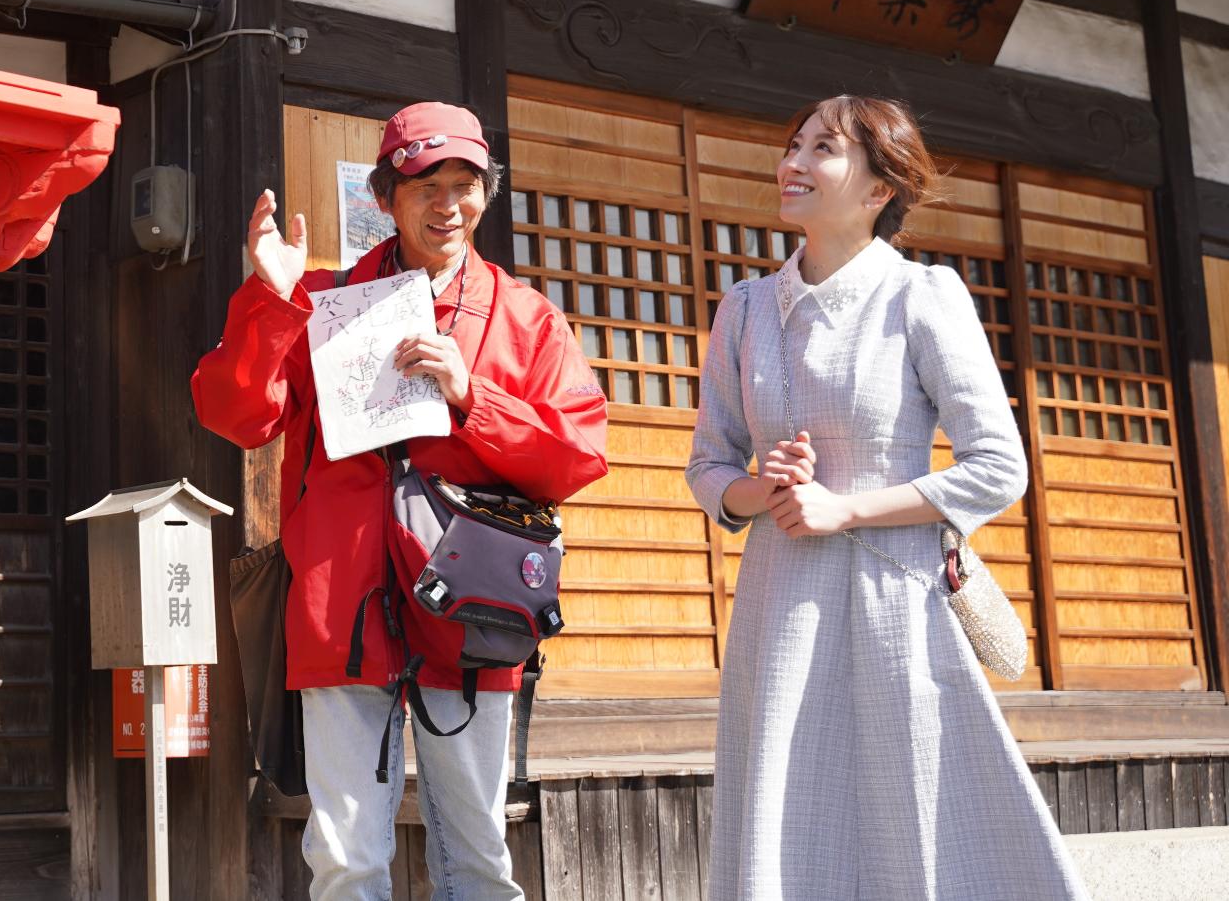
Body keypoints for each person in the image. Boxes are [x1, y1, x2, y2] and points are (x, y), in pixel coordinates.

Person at [192, 102, 608, 900]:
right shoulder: (320, 301)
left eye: (465, 183)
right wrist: (269, 300)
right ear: (385, 195)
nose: (446, 203)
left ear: (486, 194)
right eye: (424, 183)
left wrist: (470, 393)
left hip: (473, 613)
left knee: (481, 857)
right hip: (338, 604)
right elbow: (235, 414)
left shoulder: (526, 319)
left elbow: (579, 454)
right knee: (345, 858)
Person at [686, 95, 1090, 900]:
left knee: (916, 810)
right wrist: (761, 492)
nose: (792, 162)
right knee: (787, 809)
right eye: (792, 144)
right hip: (780, 606)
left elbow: (997, 464)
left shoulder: (922, 296)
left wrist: (845, 508)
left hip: (895, 596)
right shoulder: (744, 310)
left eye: (823, 149)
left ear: (879, 189)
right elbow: (707, 466)